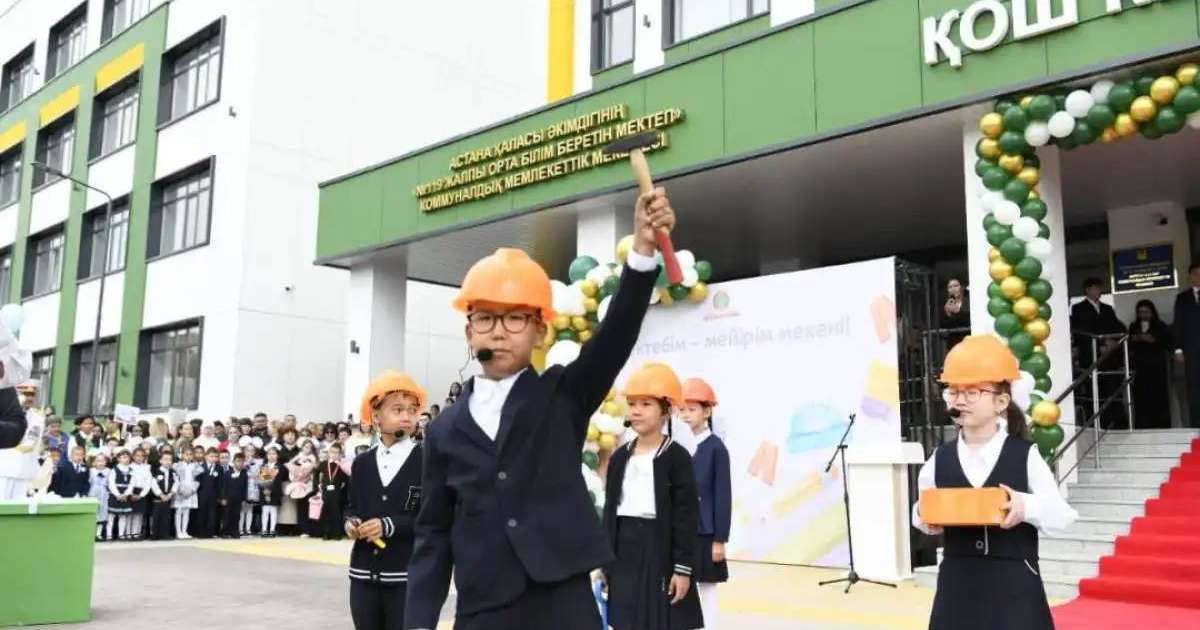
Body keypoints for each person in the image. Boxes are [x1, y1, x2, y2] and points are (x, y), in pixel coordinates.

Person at [406, 187, 675, 630]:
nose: (498, 332)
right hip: (482, 605)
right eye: (486, 319)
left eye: (515, 319)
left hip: (561, 601)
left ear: (538, 331)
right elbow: (433, 531)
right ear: (469, 332)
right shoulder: (443, 430)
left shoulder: (563, 396)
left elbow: (614, 338)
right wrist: (418, 622)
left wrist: (644, 251)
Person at [912, 335, 1078, 630]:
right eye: (953, 391)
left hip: (1015, 589)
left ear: (1001, 401)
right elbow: (920, 509)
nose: (960, 400)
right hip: (956, 589)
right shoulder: (939, 458)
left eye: (973, 392)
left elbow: (1062, 517)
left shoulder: (1024, 456)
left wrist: (1025, 507)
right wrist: (926, 518)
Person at [603, 362, 703, 630]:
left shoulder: (676, 457)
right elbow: (610, 510)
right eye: (633, 403)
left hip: (659, 547)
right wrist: (605, 561)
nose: (636, 411)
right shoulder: (619, 457)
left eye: (646, 404)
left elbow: (686, 516)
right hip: (623, 547)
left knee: (659, 619)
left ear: (666, 411)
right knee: (625, 620)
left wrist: (682, 568)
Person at [345, 371, 427, 630]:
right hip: (362, 575)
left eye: (413, 410)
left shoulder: (428, 461)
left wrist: (390, 525)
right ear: (376, 416)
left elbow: (434, 519)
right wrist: (351, 522)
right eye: (398, 409)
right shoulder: (362, 463)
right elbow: (351, 506)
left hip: (406, 577)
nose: (407, 416)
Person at [678, 378, 731, 627]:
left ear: (707, 411)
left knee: (707, 587)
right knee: (684, 583)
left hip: (706, 532)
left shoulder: (716, 449)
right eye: (682, 410)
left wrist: (719, 539)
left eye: (692, 409)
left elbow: (723, 495)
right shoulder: (679, 448)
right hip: (685, 529)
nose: (686, 415)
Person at [1070, 277, 1127, 428]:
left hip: (1109, 357)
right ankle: (1096, 424)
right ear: (1087, 290)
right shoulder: (1078, 308)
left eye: (1099, 287)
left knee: (1112, 389)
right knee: (1094, 390)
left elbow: (1117, 328)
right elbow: (1081, 331)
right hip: (1091, 356)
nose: (1098, 291)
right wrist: (1100, 343)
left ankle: (1116, 423)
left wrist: (1113, 343)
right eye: (1095, 288)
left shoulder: (1107, 309)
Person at [1128, 299, 1173, 429]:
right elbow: (1129, 343)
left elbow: (1167, 343)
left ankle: (1161, 425)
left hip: (1157, 368)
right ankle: (1142, 426)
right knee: (1141, 398)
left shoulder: (1160, 325)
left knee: (1158, 398)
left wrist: (1153, 340)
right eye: (1140, 312)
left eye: (1146, 311)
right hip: (1140, 368)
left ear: (1152, 312)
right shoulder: (1133, 326)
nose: (1143, 314)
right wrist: (1136, 338)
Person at [1174, 263, 1200, 428]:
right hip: (1191, 351)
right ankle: (1197, 425)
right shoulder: (1182, 298)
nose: (1199, 277)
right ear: (1190, 276)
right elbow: (1178, 325)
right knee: (1194, 389)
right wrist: (1178, 349)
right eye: (1196, 273)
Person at [313, 442, 349, 540]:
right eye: (332, 452)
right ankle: (326, 533)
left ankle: (337, 533)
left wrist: (344, 482)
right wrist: (317, 485)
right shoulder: (324, 464)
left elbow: (347, 477)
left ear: (340, 454)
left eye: (337, 453)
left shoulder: (342, 465)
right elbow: (316, 472)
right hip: (326, 491)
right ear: (329, 453)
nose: (334, 455)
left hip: (337, 492)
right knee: (326, 511)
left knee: (336, 512)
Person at [258, 444, 286, 537]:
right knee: (265, 510)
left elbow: (281, 479)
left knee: (273, 511)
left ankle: (272, 530)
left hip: (275, 492)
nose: (271, 456)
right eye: (269, 454)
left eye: (274, 454)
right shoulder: (264, 466)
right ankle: (264, 529)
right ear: (266, 455)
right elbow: (262, 479)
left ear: (277, 455)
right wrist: (265, 489)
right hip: (264, 492)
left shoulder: (280, 467)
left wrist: (271, 490)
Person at [107, 449, 136, 541]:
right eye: (123, 457)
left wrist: (126, 494)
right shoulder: (114, 470)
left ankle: (121, 534)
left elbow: (132, 484)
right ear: (119, 459)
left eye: (127, 457)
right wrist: (117, 494)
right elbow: (111, 483)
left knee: (123, 515)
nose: (126, 459)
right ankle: (109, 534)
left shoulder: (131, 470)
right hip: (115, 494)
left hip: (125, 495)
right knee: (111, 516)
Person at [150, 450, 179, 540]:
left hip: (168, 497)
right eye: (165, 459)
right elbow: (153, 484)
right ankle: (155, 534)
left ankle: (165, 534)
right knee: (157, 516)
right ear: (160, 461)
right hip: (158, 498)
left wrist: (171, 494)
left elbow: (176, 483)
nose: (167, 462)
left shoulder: (173, 472)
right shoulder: (156, 471)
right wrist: (160, 494)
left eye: (169, 460)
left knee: (166, 517)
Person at [220, 453, 249, 538]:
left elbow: (245, 487)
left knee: (236, 516)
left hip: (238, 499)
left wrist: (244, 499)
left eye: (242, 462)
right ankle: (224, 532)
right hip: (228, 498)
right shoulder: (228, 473)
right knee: (226, 516)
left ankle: (234, 531)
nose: (240, 463)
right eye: (238, 461)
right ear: (233, 462)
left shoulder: (244, 473)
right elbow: (224, 486)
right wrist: (223, 498)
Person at [195, 448, 223, 538]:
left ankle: (210, 532)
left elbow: (220, 483)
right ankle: (201, 532)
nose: (213, 458)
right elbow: (197, 481)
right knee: (202, 513)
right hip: (202, 494)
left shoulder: (219, 468)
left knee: (212, 514)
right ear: (206, 456)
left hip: (213, 495)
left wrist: (220, 496)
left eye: (215, 456)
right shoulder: (200, 467)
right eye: (211, 456)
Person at [173, 447, 199, 539]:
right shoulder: (177, 465)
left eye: (190, 454)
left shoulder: (195, 466)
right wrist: (180, 489)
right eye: (186, 454)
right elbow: (175, 478)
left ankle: (184, 531)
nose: (188, 456)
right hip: (180, 491)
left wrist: (192, 490)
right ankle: (178, 531)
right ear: (182, 455)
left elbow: (197, 480)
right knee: (179, 510)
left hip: (190, 491)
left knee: (187, 511)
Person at [129, 448, 154, 539]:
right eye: (137, 455)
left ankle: (137, 532)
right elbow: (129, 481)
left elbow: (148, 482)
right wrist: (130, 493)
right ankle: (128, 532)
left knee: (139, 514)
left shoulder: (147, 467)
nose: (139, 458)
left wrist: (141, 495)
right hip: (131, 491)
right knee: (130, 514)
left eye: (141, 456)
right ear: (133, 456)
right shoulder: (129, 467)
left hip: (142, 492)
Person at [940, 278, 970, 351]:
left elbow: (971, 318)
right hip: (953, 344)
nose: (953, 289)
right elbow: (942, 325)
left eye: (956, 286)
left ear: (962, 287)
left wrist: (959, 312)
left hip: (968, 340)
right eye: (950, 287)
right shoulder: (945, 305)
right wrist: (948, 313)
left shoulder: (969, 300)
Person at [89, 453, 111, 541]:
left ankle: (99, 533)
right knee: (94, 512)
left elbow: (110, 482)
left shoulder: (108, 471)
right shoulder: (91, 471)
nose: (100, 463)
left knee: (102, 513)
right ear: (94, 462)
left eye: (103, 461)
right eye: (98, 461)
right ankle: (91, 533)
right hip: (93, 492)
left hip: (104, 493)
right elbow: (89, 482)